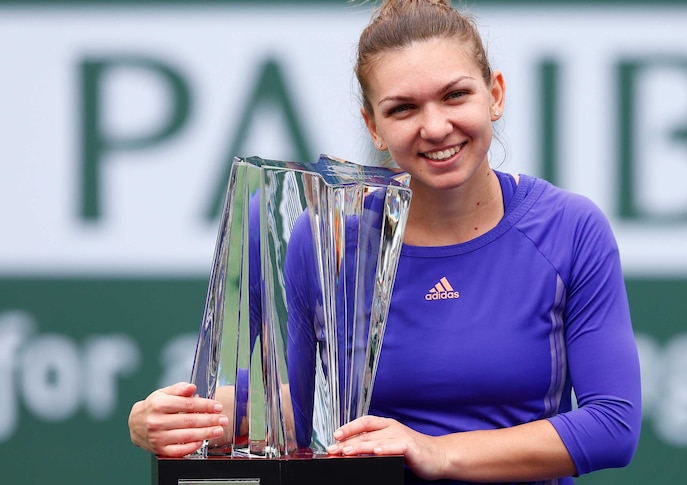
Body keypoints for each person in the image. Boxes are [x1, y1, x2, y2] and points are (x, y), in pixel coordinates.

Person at [128, 1, 642, 483]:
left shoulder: (570, 227)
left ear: (496, 95)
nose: (436, 127)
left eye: (455, 95)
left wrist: (437, 451)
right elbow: (306, 409)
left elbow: (613, 425)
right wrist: (185, 418)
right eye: (403, 109)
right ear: (373, 126)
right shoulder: (322, 235)